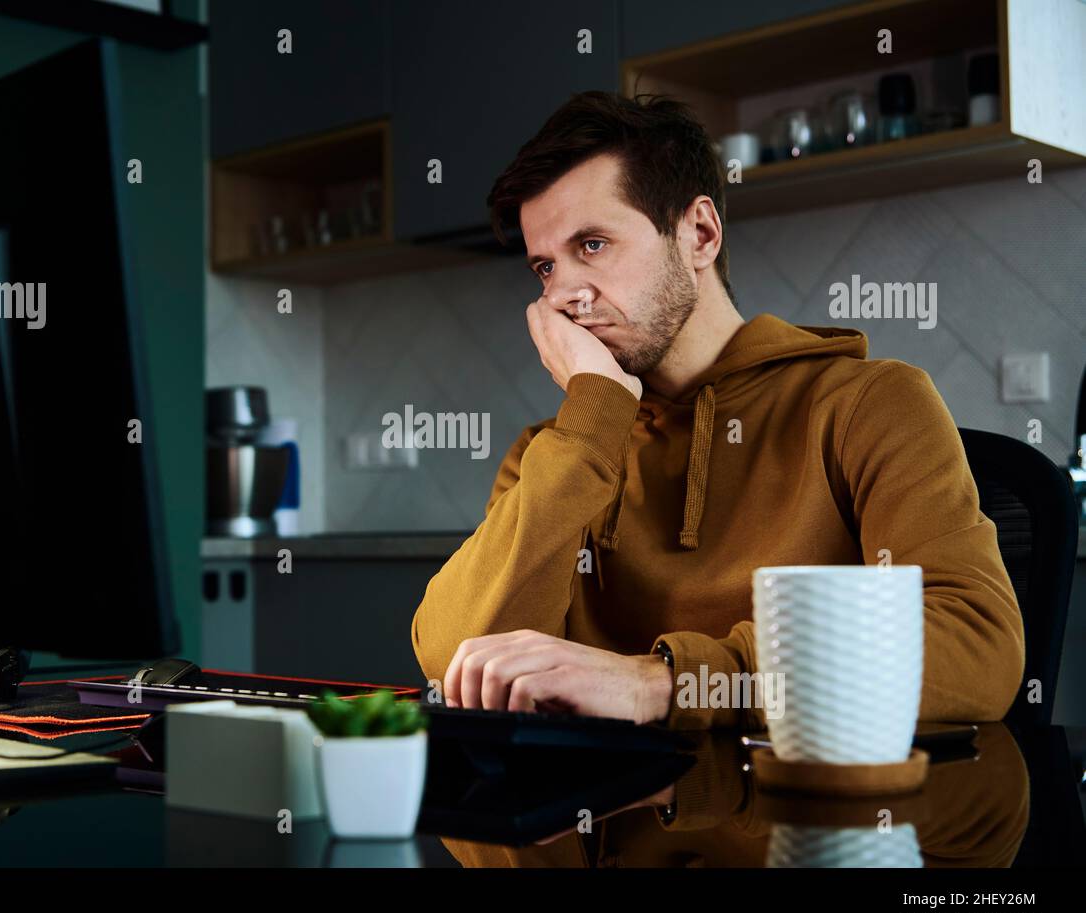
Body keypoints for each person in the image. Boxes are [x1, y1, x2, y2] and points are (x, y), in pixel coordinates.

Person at [410, 92, 1023, 731]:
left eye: (591, 245)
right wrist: (592, 428)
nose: (562, 295)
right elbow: (455, 663)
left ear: (699, 233)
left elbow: (977, 651)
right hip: (600, 818)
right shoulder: (558, 450)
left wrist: (669, 683)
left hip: (801, 821)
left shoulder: (867, 405)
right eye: (544, 266)